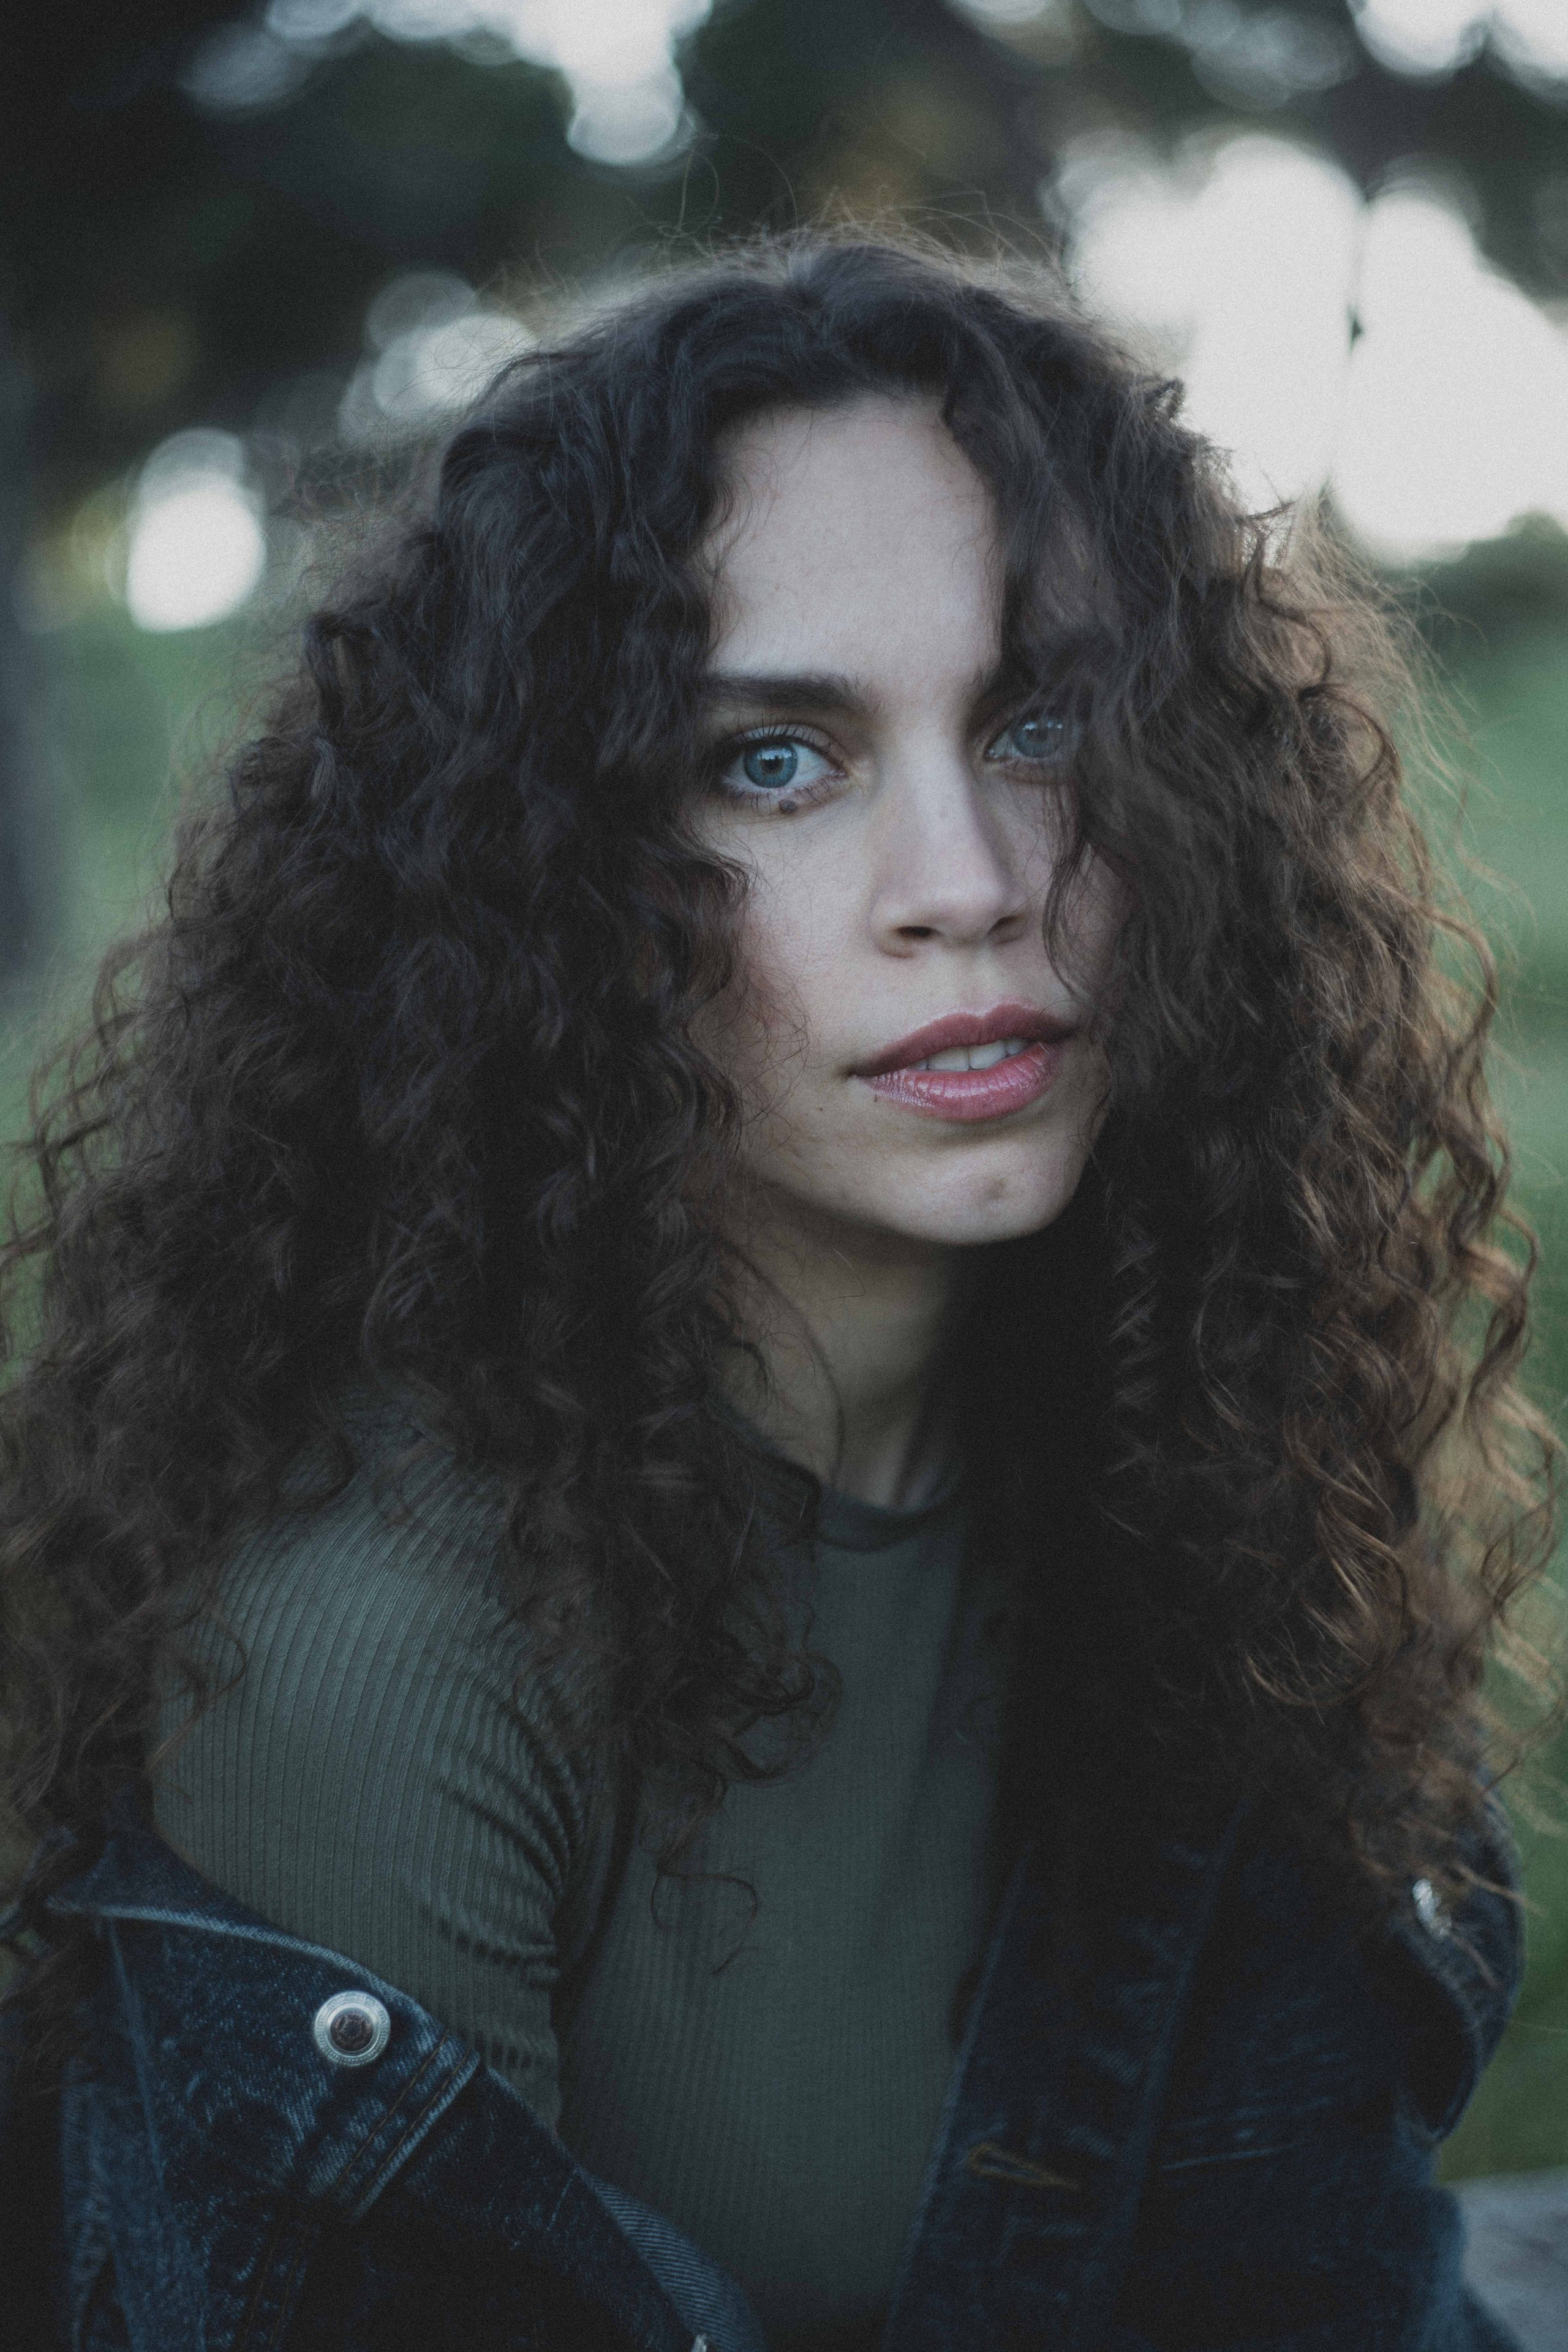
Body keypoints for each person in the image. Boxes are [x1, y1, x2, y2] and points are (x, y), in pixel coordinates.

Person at [0, 232, 1556, 2352]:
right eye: (775, 762)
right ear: (541, 881)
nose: (969, 886)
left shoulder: (1212, 1471)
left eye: (1039, 724)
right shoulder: (383, 1653)